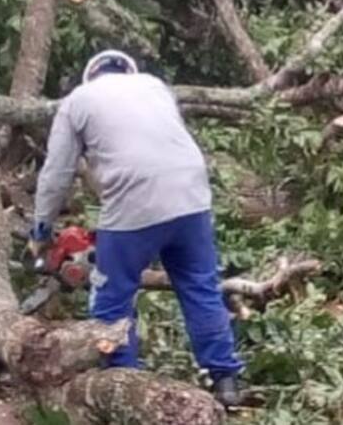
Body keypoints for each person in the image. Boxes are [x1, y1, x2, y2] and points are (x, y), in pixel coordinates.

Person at [27, 49, 243, 407]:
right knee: (200, 287)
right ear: (127, 71)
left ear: (90, 76)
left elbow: (56, 175)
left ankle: (124, 385)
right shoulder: (155, 87)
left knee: (112, 299)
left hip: (134, 200)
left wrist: (41, 232)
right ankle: (226, 381)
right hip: (192, 194)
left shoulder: (77, 101)